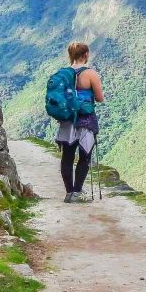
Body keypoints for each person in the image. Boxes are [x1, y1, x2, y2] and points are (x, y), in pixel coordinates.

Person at [55, 42, 104, 203]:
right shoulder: (90, 74)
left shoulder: (63, 74)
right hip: (85, 121)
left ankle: (69, 193)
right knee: (85, 156)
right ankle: (77, 192)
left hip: (67, 120)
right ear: (86, 54)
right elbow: (99, 97)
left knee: (67, 157)